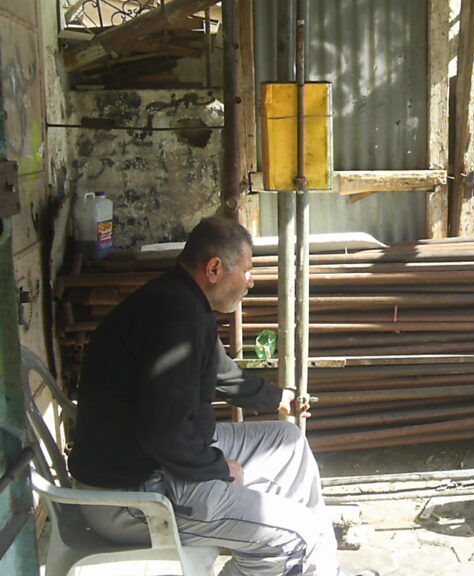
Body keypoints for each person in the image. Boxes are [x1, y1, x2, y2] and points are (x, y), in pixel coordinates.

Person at [68, 216, 377, 576]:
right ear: (214, 268)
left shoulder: (179, 300)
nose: (251, 280)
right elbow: (162, 433)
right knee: (294, 535)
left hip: (162, 462)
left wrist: (278, 398)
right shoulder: (175, 320)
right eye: (247, 270)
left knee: (288, 442)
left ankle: (320, 571)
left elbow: (221, 376)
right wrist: (216, 467)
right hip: (134, 494)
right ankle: (289, 555)